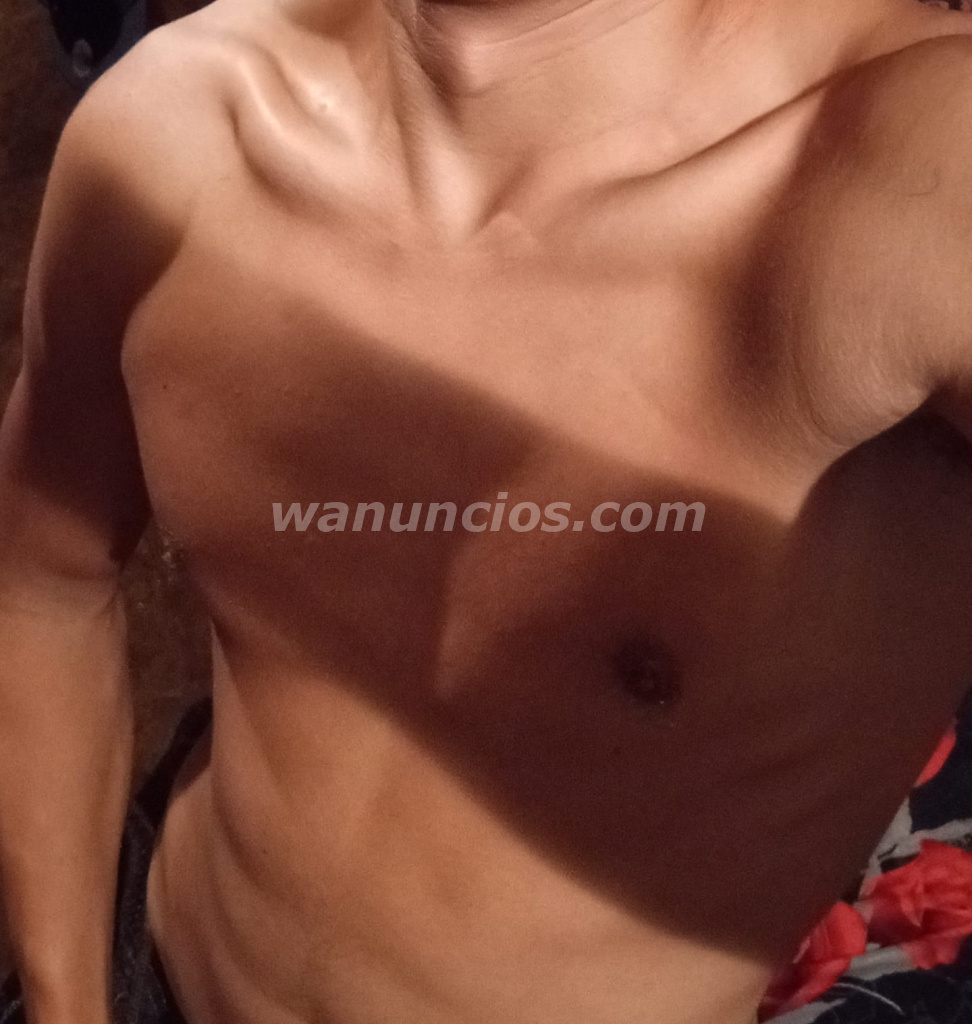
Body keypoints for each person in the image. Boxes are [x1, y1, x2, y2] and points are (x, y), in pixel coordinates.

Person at [3, 0, 972, 1022]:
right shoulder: (175, 127)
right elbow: (40, 580)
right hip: (153, 964)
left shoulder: (915, 173)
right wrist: (70, 1002)